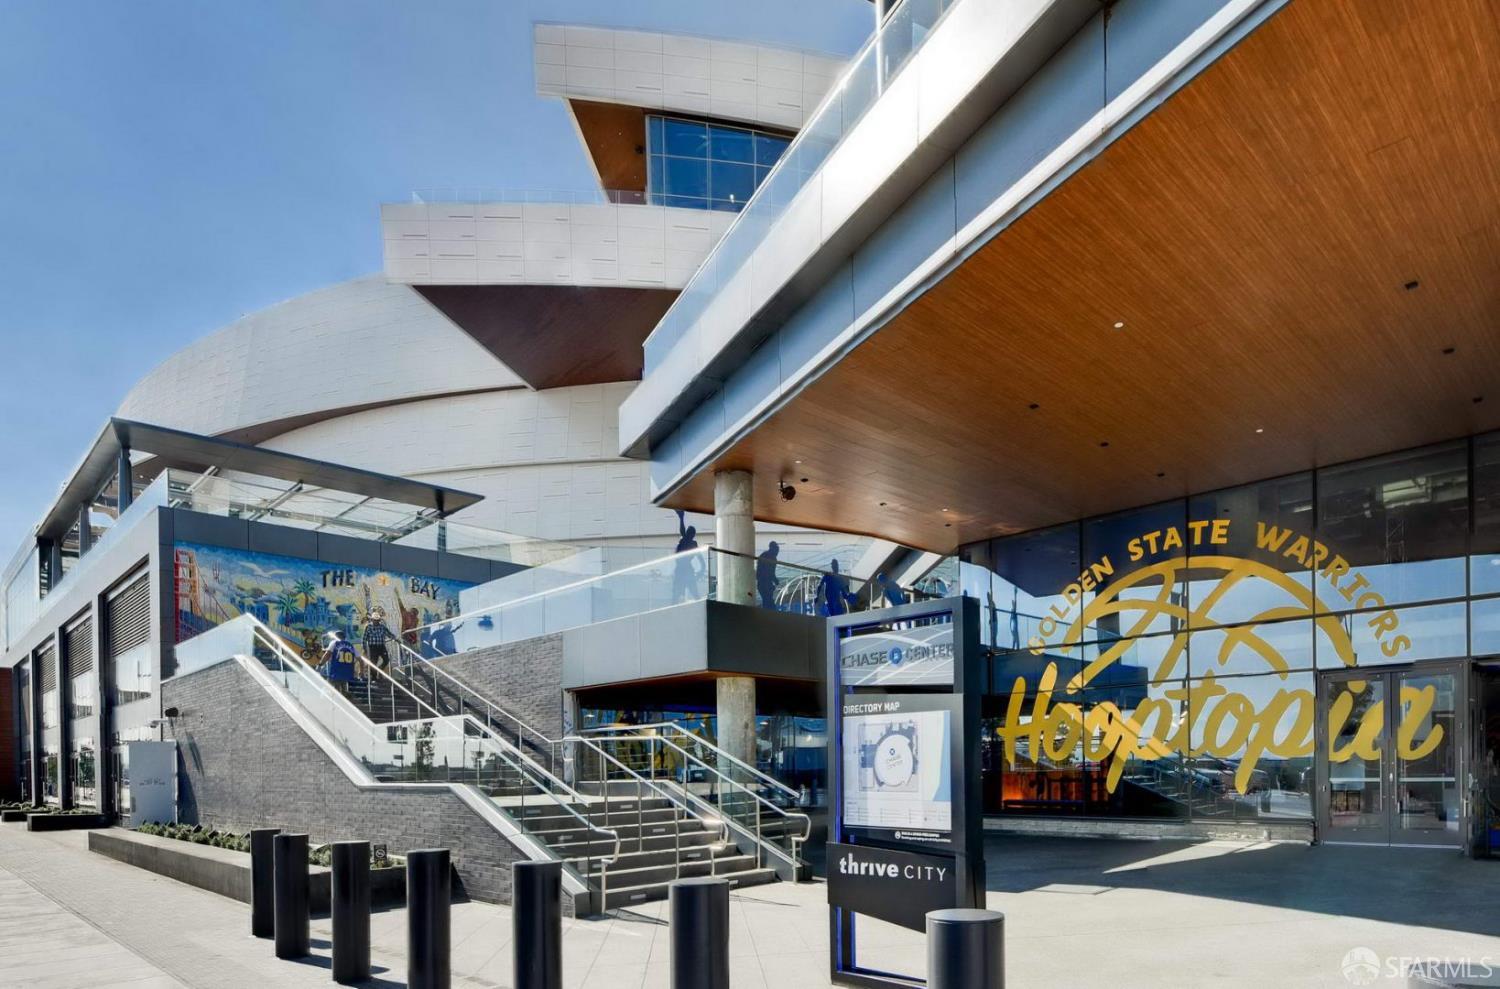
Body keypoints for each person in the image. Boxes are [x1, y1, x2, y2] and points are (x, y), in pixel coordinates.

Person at [672, 509, 703, 603]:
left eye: (689, 533)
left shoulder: (692, 543)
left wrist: (681, 517)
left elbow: (701, 559)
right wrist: (681, 518)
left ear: (692, 535)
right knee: (677, 594)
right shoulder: (686, 541)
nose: (687, 534)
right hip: (681, 570)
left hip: (686, 570)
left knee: (693, 593)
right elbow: (683, 532)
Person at [363, 606, 394, 674]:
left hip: (381, 646)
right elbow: (364, 638)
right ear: (372, 620)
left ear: (379, 620)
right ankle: (374, 678)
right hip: (373, 647)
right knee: (373, 662)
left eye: (377, 620)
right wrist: (365, 648)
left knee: (386, 660)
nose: (376, 621)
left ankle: (379, 670)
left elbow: (389, 634)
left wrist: (395, 638)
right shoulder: (368, 627)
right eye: (375, 620)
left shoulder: (382, 627)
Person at [755, 540, 780, 610]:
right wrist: (775, 580)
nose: (777, 553)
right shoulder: (772, 558)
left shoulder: (764, 555)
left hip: (763, 583)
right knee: (768, 602)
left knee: (767, 601)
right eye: (777, 551)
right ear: (772, 549)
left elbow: (769, 572)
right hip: (765, 583)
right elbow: (770, 572)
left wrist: (774, 580)